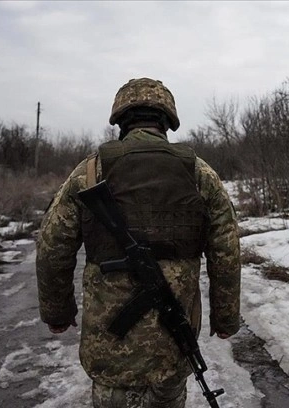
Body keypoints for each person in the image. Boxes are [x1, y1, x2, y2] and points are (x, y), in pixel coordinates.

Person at [36, 77, 241, 408]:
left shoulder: (89, 173)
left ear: (121, 121)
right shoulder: (199, 173)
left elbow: (52, 248)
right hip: (172, 348)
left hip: (110, 352)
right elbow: (227, 253)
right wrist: (226, 318)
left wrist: (57, 312)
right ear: (166, 122)